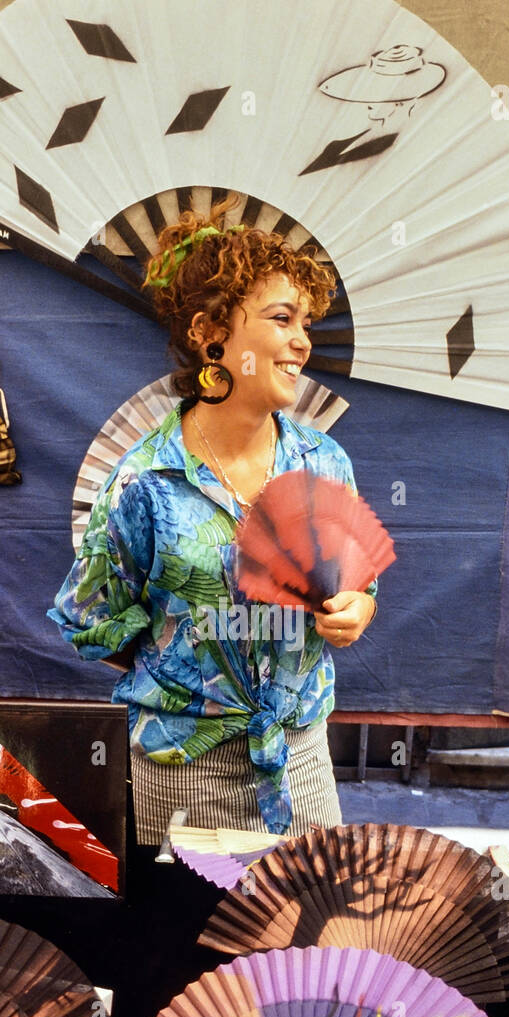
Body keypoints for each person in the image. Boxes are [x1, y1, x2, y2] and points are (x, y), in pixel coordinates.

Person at [49, 198, 378, 845]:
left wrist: (356, 610)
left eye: (305, 323)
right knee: (192, 942)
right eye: (282, 319)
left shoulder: (324, 463)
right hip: (183, 773)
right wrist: (187, 662)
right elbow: (91, 623)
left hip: (301, 760)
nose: (302, 342)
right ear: (210, 334)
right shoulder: (143, 484)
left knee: (309, 942)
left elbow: (359, 582)